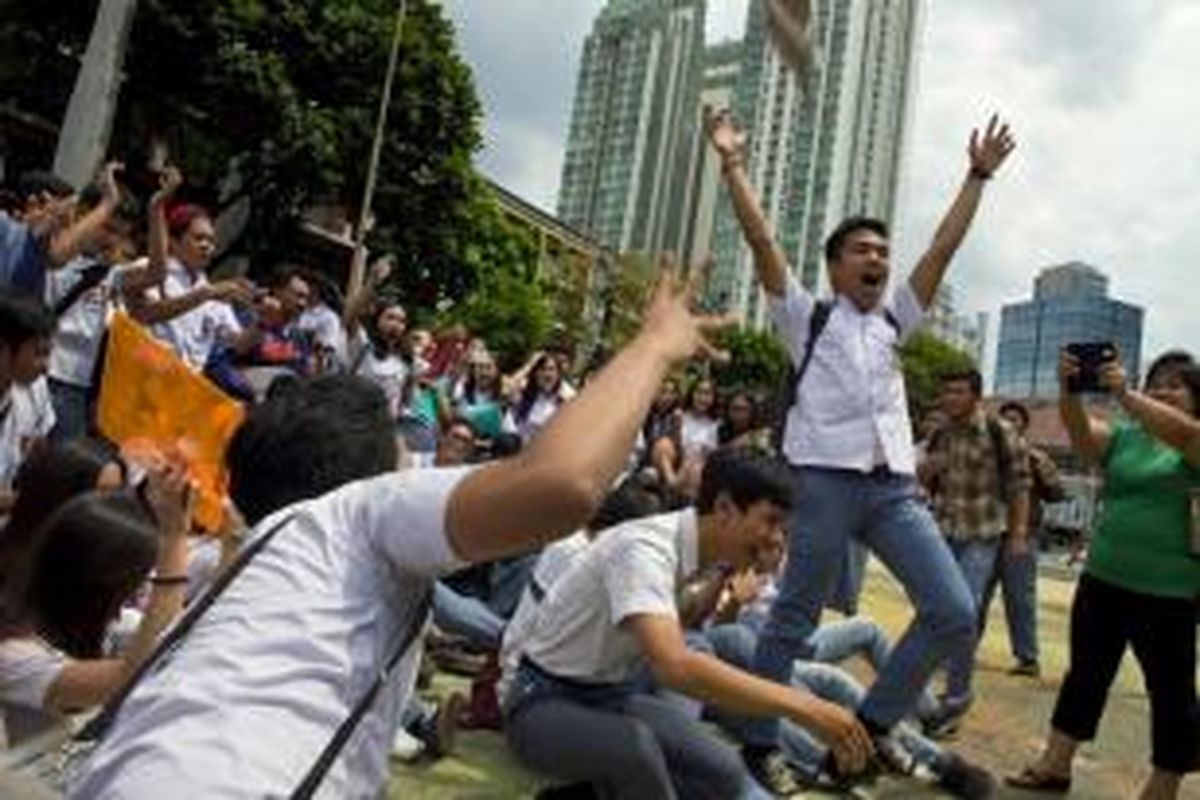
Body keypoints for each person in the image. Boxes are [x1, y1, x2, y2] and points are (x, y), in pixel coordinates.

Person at [68, 266, 735, 798]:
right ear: (371, 471)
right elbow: (562, 485)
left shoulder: (248, 558)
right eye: (400, 452)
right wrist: (653, 347)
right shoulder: (357, 510)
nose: (413, 463)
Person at [706, 105, 1016, 793]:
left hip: (894, 491)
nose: (878, 258)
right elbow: (761, 241)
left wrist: (976, 177)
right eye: (862, 250)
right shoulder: (804, 318)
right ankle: (760, 744)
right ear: (836, 267)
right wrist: (731, 163)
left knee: (953, 610)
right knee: (791, 621)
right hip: (820, 486)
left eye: (882, 250)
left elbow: (940, 249)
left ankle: (872, 730)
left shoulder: (894, 322)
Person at [503, 448, 880, 799]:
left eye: (784, 529)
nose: (777, 539)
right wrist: (807, 708)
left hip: (610, 699)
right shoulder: (645, 550)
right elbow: (674, 666)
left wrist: (733, 569)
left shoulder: (695, 550)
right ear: (724, 508)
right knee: (637, 751)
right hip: (541, 703)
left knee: (724, 768)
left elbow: (689, 621)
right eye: (771, 522)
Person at [1008, 351, 1200, 800]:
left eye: (1175, 385)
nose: (1161, 389)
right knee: (1086, 675)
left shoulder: (1191, 439)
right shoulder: (1128, 437)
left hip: (1170, 591)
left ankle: (1163, 785)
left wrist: (1125, 393)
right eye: (1155, 381)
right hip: (1103, 580)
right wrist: (1070, 390)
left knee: (1171, 691)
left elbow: (1185, 433)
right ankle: (1055, 765)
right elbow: (1080, 435)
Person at [0, 463, 192, 748]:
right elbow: (132, 674)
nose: (143, 591)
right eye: (138, 581)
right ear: (100, 583)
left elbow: (182, 640)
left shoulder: (106, 622)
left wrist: (231, 543)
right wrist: (174, 538)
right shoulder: (14, 656)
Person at [919, 368, 1031, 736]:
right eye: (946, 390)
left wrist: (1017, 535)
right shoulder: (941, 433)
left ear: (976, 396)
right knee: (936, 610)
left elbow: (1020, 486)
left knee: (963, 611)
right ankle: (923, 695)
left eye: (958, 391)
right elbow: (921, 479)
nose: (950, 398)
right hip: (944, 532)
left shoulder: (1001, 431)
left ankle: (954, 700)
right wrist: (927, 469)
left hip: (983, 534)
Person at [122, 168, 255, 373]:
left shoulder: (212, 290)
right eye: (199, 238)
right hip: (141, 378)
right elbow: (144, 313)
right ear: (173, 242)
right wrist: (204, 295)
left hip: (181, 391)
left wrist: (265, 323)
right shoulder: (146, 270)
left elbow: (239, 344)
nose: (206, 246)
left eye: (211, 241)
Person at [983, 399, 1065, 678]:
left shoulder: (1036, 457)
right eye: (1004, 419)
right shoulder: (986, 455)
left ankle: (1028, 659)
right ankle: (960, 652)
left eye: (1015, 419)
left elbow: (1056, 495)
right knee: (974, 597)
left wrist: (1044, 471)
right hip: (986, 533)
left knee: (1020, 598)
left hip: (1022, 537)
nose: (1009, 424)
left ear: (1024, 426)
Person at [0, 298, 56, 512]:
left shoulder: (36, 389)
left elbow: (38, 446)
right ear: (3, 350)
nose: (46, 367)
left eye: (48, 353)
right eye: (39, 354)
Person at [505, 353, 571, 445]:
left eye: (551, 369)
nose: (547, 374)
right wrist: (530, 365)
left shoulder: (564, 395)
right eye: (543, 369)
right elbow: (507, 389)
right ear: (535, 373)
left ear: (558, 374)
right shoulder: (526, 393)